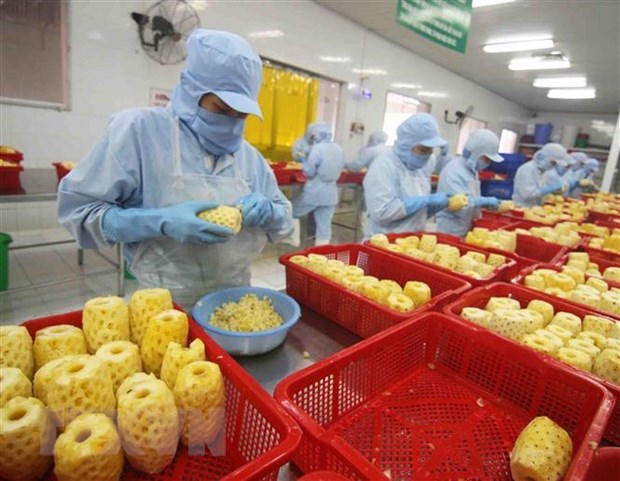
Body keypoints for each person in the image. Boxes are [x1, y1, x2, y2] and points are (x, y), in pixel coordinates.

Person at [57, 29, 293, 308]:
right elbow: (79, 212)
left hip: (235, 304)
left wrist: (271, 212)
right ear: (191, 89)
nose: (231, 123)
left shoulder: (250, 157)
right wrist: (160, 220)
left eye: (241, 115)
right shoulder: (138, 132)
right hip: (163, 303)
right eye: (221, 109)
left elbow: (285, 223)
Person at [363, 113, 450, 238]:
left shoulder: (419, 169)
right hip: (384, 244)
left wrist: (433, 207)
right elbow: (381, 212)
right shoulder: (384, 165)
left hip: (410, 242)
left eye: (430, 151)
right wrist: (426, 200)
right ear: (407, 144)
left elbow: (414, 211)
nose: (427, 156)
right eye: (423, 150)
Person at [436, 129, 504, 238]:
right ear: (475, 153)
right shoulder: (454, 170)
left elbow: (471, 197)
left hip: (464, 227)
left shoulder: (472, 171)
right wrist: (482, 202)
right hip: (450, 229)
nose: (487, 164)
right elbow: (456, 203)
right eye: (486, 159)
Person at [292, 122, 345, 245]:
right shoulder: (337, 148)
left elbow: (309, 171)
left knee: (292, 211)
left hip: (314, 192)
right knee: (324, 227)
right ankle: (321, 252)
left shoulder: (318, 148)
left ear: (315, 135)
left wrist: (305, 162)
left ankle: (293, 241)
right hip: (331, 193)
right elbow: (341, 166)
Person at [512, 143, 569, 207]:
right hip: (522, 207)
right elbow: (528, 194)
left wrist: (552, 193)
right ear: (544, 157)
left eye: (555, 164)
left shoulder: (544, 171)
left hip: (535, 208)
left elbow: (541, 189)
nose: (553, 166)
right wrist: (550, 189)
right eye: (552, 163)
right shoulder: (526, 169)